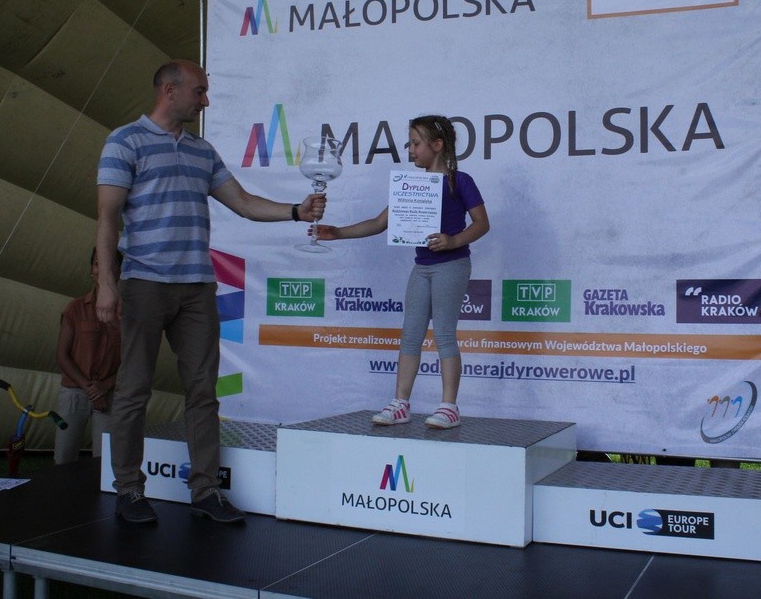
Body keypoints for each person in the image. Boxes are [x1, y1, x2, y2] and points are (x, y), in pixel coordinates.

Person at [96, 59, 325, 525]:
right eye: (199, 91)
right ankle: (129, 490)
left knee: (203, 391)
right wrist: (106, 283)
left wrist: (296, 212)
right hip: (145, 282)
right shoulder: (125, 141)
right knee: (133, 389)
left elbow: (243, 203)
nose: (206, 100)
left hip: (197, 286)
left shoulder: (203, 151)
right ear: (170, 90)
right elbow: (106, 218)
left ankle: (205, 491)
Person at [314, 115, 489, 429]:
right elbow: (378, 223)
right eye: (410, 143)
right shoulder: (411, 186)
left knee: (444, 335)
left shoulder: (460, 181)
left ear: (438, 145)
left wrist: (453, 241)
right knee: (410, 335)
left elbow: (481, 224)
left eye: (416, 143)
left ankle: (449, 407)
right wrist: (337, 232)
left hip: (452, 265)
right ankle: (400, 404)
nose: (411, 150)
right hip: (422, 267)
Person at [54, 248, 123, 465]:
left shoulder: (129, 313)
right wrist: (91, 389)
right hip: (74, 393)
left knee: (105, 461)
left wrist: (106, 385)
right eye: (96, 264)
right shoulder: (75, 308)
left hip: (110, 394)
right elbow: (62, 355)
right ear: (91, 270)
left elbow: (136, 362)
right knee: (63, 457)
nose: (101, 269)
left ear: (120, 270)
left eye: (109, 264)